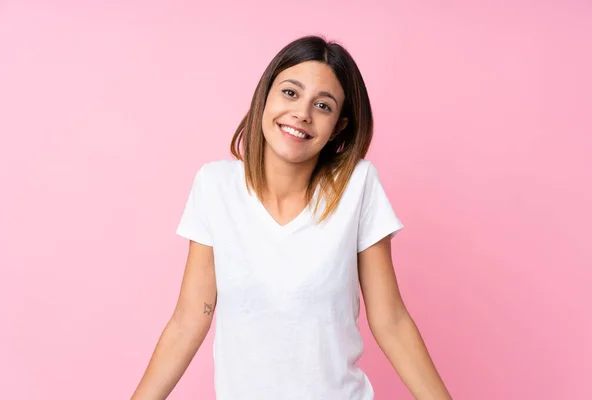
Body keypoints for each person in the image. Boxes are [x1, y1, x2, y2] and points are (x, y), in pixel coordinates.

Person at [131, 35, 452, 400]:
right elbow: (189, 321)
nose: (302, 113)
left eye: (323, 105)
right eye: (290, 93)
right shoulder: (215, 186)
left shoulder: (358, 186)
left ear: (339, 127)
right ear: (265, 95)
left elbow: (390, 321)